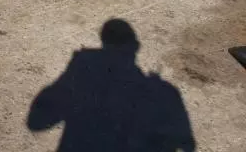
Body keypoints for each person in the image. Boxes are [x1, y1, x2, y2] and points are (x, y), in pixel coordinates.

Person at [27, 19, 196, 151]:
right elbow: (186, 144)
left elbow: (36, 121)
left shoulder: (83, 73)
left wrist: (73, 75)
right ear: (136, 47)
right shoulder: (165, 93)